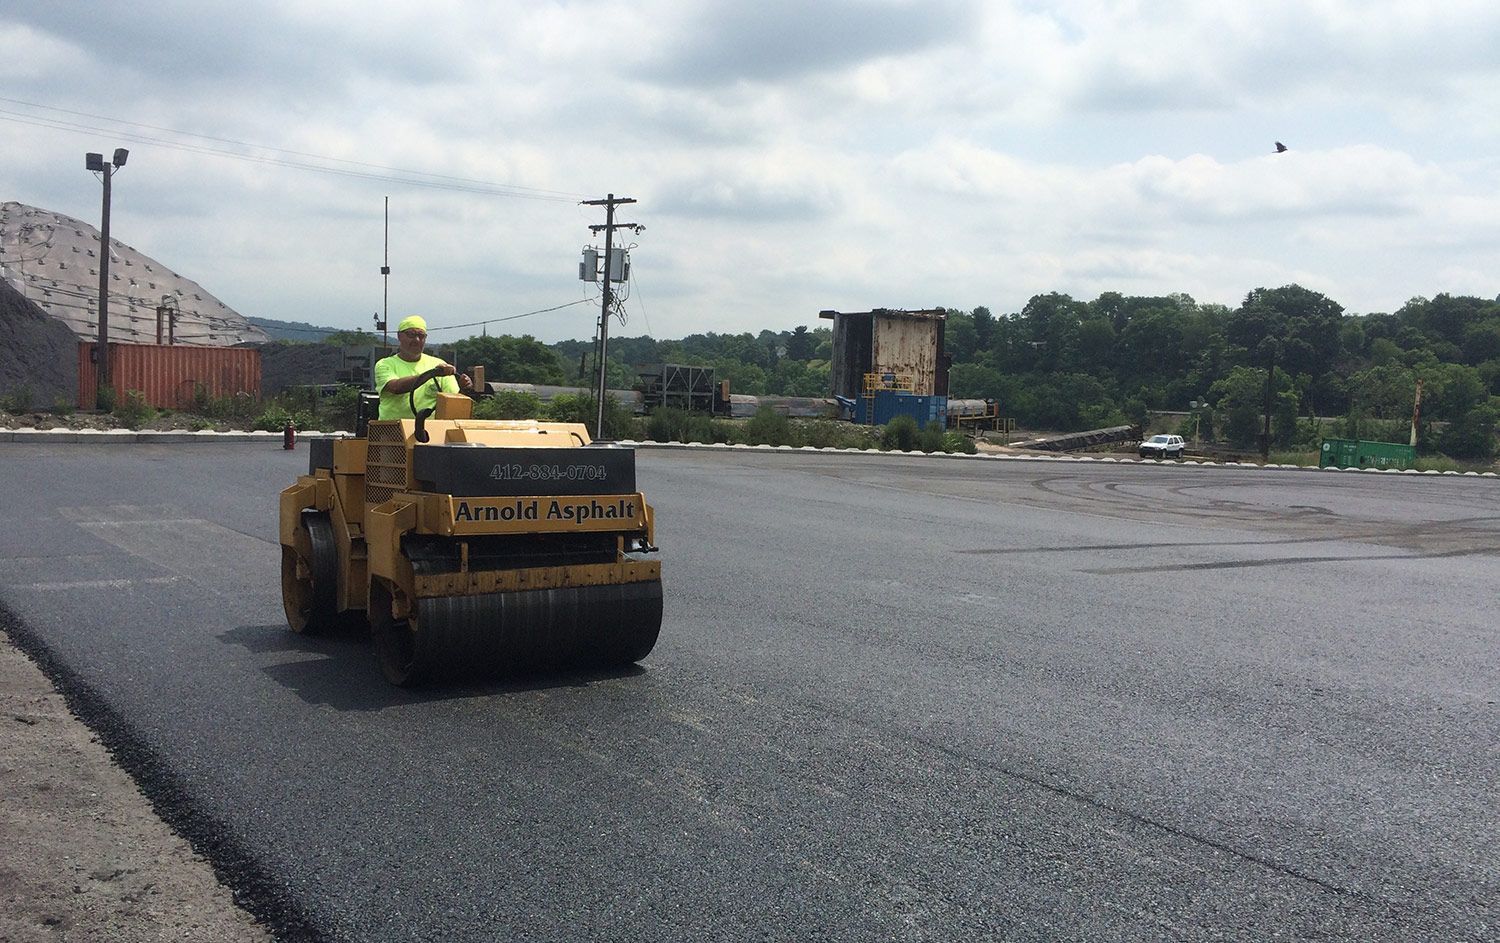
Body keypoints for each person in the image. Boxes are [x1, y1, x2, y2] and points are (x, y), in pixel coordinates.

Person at [373, 315, 473, 419]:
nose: (416, 339)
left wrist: (464, 389)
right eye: (411, 334)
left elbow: (452, 401)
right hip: (392, 430)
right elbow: (396, 387)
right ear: (399, 336)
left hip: (430, 431)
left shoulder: (438, 364)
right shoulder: (385, 364)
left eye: (421, 336)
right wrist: (431, 373)